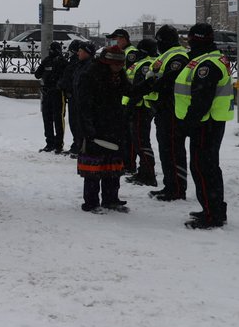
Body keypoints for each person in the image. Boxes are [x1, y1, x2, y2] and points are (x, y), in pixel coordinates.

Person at [175, 23, 231, 229]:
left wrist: (188, 124)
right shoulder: (206, 59)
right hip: (209, 123)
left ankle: (211, 214)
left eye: (190, 37)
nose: (187, 40)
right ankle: (214, 209)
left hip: (205, 124)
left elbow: (201, 100)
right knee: (209, 168)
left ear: (195, 38)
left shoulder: (207, 64)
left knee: (202, 168)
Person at [76, 45, 132, 212]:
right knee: (94, 165)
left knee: (112, 163)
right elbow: (83, 105)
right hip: (95, 126)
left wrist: (150, 83)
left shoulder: (119, 76)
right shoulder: (90, 76)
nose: (119, 68)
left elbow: (130, 91)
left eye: (121, 65)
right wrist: (88, 128)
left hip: (114, 125)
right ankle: (91, 202)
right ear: (106, 63)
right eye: (116, 65)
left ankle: (111, 199)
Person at [147, 25, 190, 202]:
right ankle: (169, 185)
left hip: (172, 109)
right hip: (163, 109)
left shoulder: (178, 56)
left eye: (159, 41)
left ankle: (177, 188)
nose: (157, 44)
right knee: (166, 150)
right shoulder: (166, 55)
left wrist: (154, 82)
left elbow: (169, 80)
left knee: (173, 150)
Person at [123, 37, 159, 186]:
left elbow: (139, 88)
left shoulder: (146, 64)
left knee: (141, 141)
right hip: (136, 106)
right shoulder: (143, 63)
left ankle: (148, 174)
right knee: (137, 141)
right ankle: (142, 171)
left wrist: (130, 106)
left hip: (140, 107)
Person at [33, 41, 68, 152]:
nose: (51, 52)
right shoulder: (47, 61)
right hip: (47, 93)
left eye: (52, 50)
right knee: (47, 118)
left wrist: (58, 85)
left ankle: (58, 144)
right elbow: (37, 74)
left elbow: (66, 78)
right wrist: (45, 66)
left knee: (58, 119)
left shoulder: (63, 62)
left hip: (58, 93)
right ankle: (49, 143)